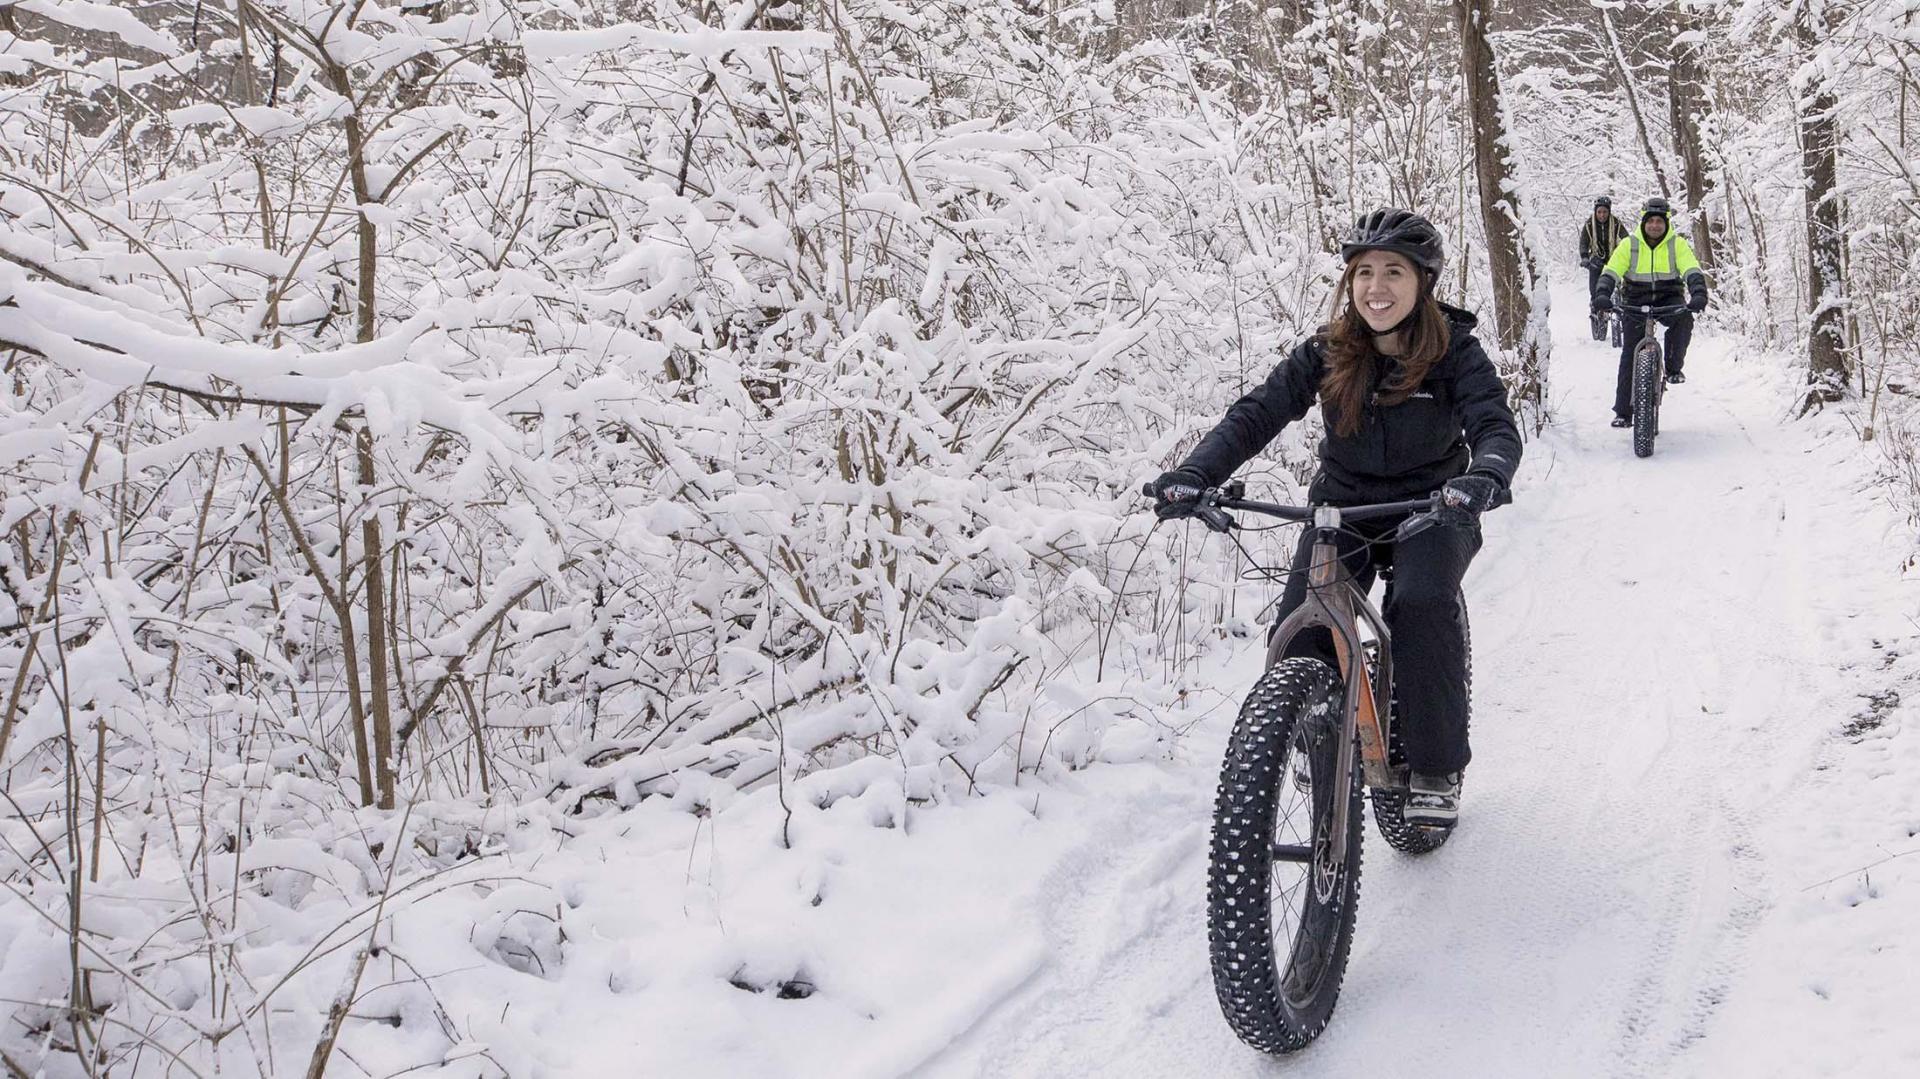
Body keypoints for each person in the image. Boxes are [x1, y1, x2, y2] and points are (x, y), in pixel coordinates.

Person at [1148, 209, 1522, 828]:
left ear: (1423, 282)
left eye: (1394, 273)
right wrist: (1196, 473)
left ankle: (1434, 764)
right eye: (1364, 273)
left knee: (1422, 604)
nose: (1377, 287)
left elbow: (1493, 426)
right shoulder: (1328, 352)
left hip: (1433, 508)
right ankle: (1311, 724)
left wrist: (1483, 477)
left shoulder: (1456, 352)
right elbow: (1257, 414)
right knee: (1303, 625)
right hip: (1342, 508)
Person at [1592, 196, 1709, 427]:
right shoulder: (1630, 244)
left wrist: (1698, 292)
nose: (1655, 225)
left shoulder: (1677, 244)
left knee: (1683, 319)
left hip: (1669, 297)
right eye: (1650, 221)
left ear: (1666, 223)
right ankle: (1623, 412)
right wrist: (1603, 293)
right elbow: (1612, 270)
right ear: (1643, 222)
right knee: (1629, 355)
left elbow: (1691, 269)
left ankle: (1674, 368)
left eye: (1659, 221)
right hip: (1635, 299)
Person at [1578, 196, 1627, 339]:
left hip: (1614, 259)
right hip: (1596, 260)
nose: (1602, 215)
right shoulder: (1589, 225)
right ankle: (1596, 309)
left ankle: (1621, 309)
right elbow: (1583, 243)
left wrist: (1628, 253)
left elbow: (1626, 239)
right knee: (1595, 289)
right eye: (1599, 212)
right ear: (1595, 212)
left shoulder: (1616, 223)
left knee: (1624, 286)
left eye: (1605, 212)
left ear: (1609, 212)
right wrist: (1585, 258)